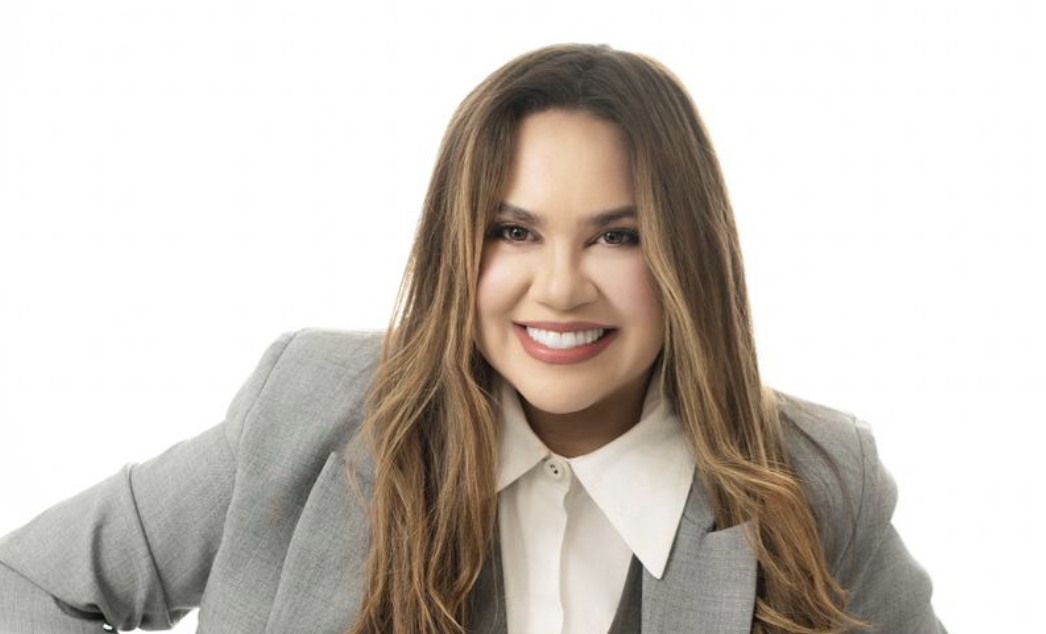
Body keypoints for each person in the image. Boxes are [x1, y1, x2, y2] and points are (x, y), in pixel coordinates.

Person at [0, 43, 947, 634]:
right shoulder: (308, 407)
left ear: (688, 258)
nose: (560, 287)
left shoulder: (819, 485)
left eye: (618, 237)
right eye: (515, 231)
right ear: (457, 247)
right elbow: (29, 585)